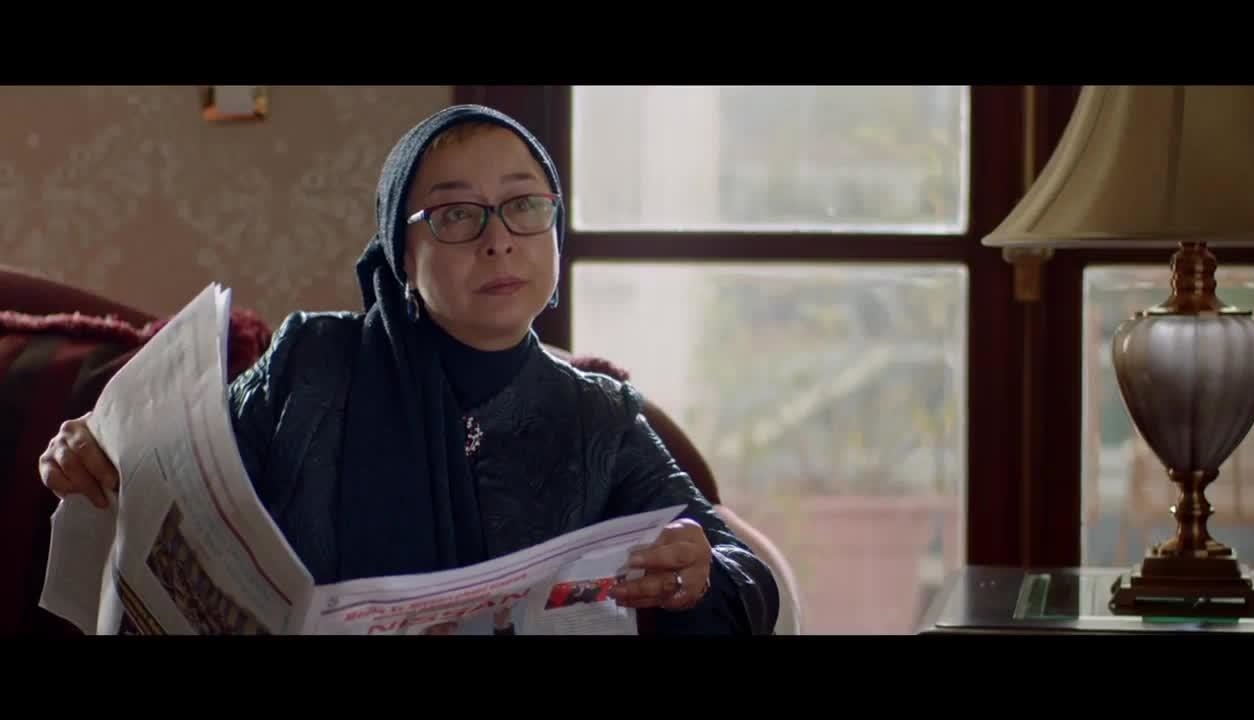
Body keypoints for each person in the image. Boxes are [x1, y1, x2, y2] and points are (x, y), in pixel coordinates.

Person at [38, 103, 780, 635]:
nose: (499, 240)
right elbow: (171, 478)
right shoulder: (310, 365)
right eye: (456, 215)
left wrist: (697, 574)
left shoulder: (600, 417)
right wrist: (95, 448)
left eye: (524, 205)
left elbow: (744, 571)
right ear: (402, 254)